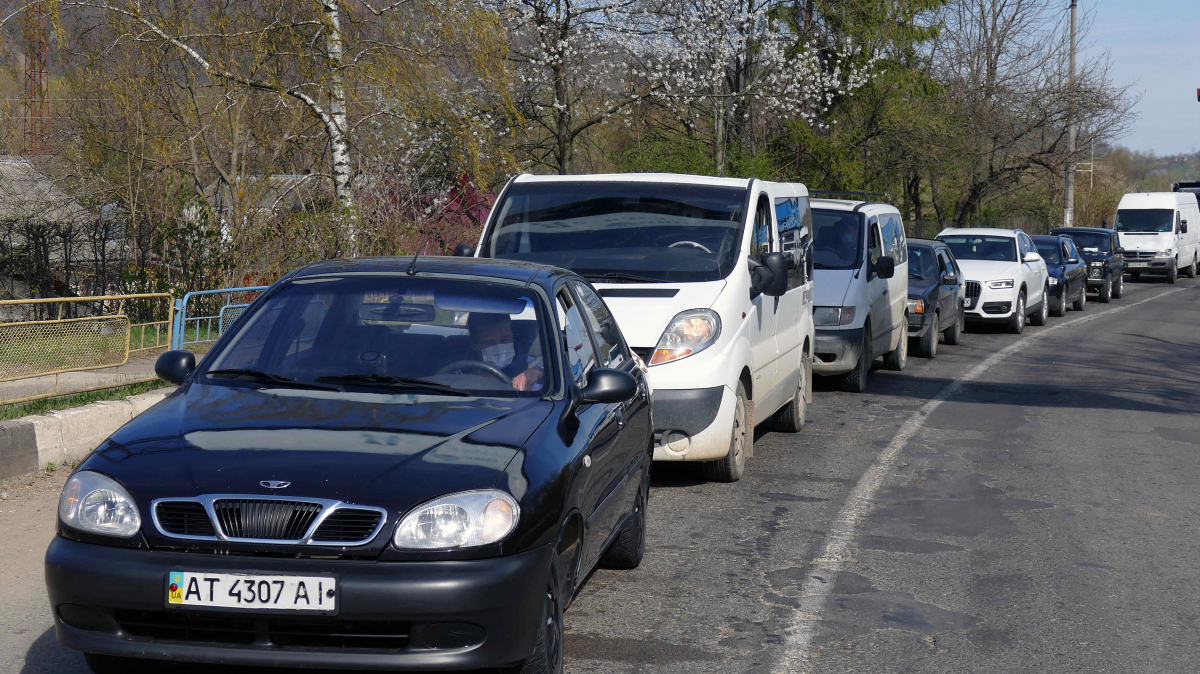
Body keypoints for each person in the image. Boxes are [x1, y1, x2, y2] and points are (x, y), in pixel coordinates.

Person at [465, 312, 544, 392]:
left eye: (505, 339)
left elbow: (553, 374)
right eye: (490, 343)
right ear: (474, 345)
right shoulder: (461, 369)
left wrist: (539, 373)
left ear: (512, 337)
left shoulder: (532, 364)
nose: (499, 347)